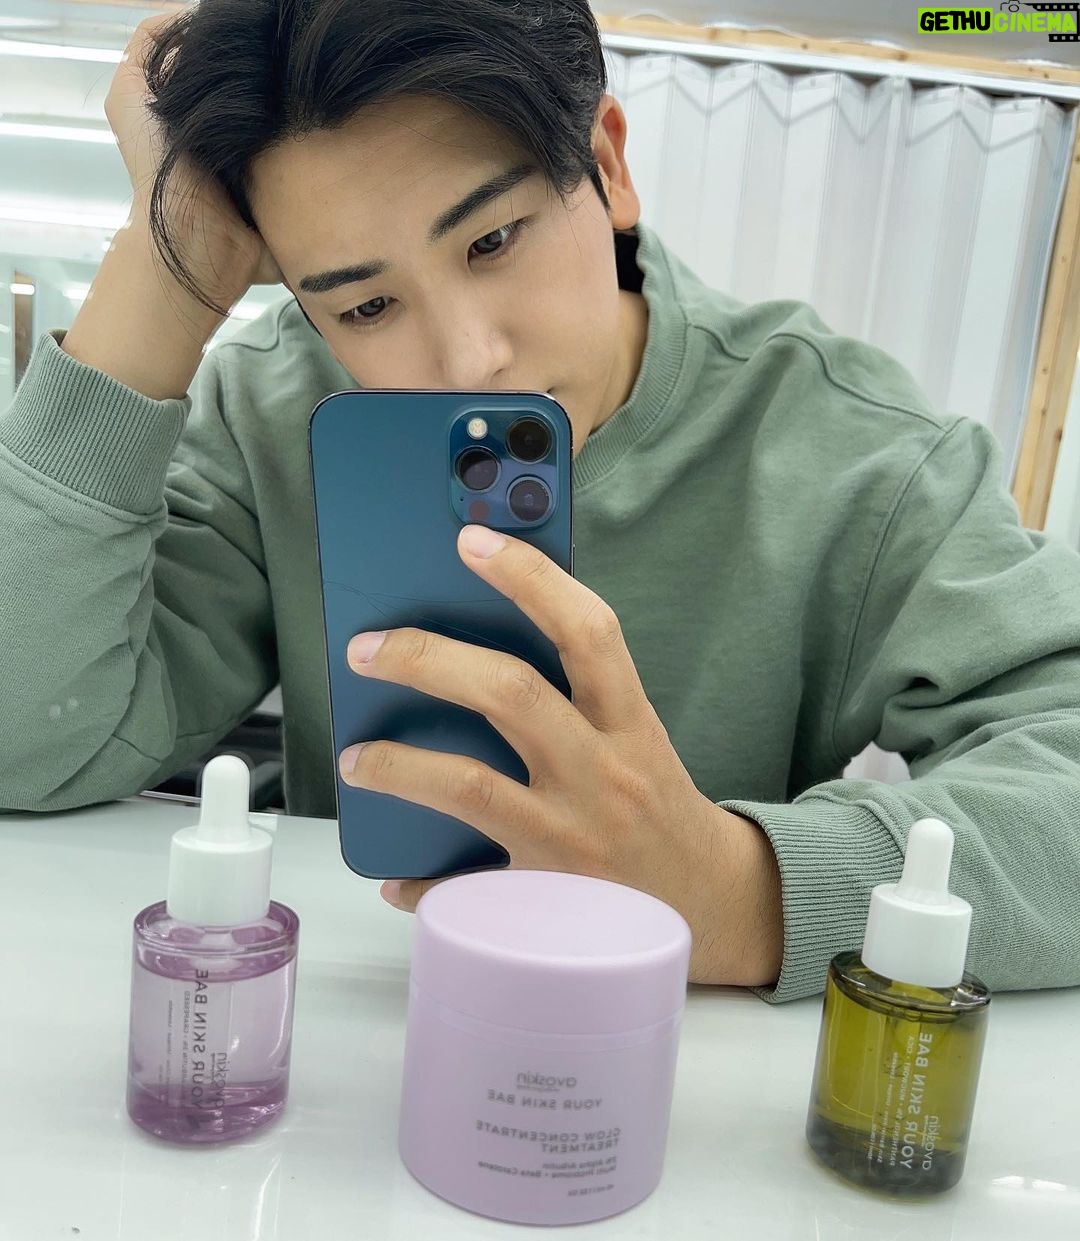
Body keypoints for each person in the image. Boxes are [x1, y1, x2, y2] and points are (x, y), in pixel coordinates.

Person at [2, 0, 1079, 1002]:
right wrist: (166, 271)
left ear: (606, 163)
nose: (470, 359)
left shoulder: (853, 451)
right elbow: (26, 738)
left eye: (492, 240)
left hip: (667, 1055)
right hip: (361, 1021)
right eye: (367, 305)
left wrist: (739, 889)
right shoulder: (281, 411)